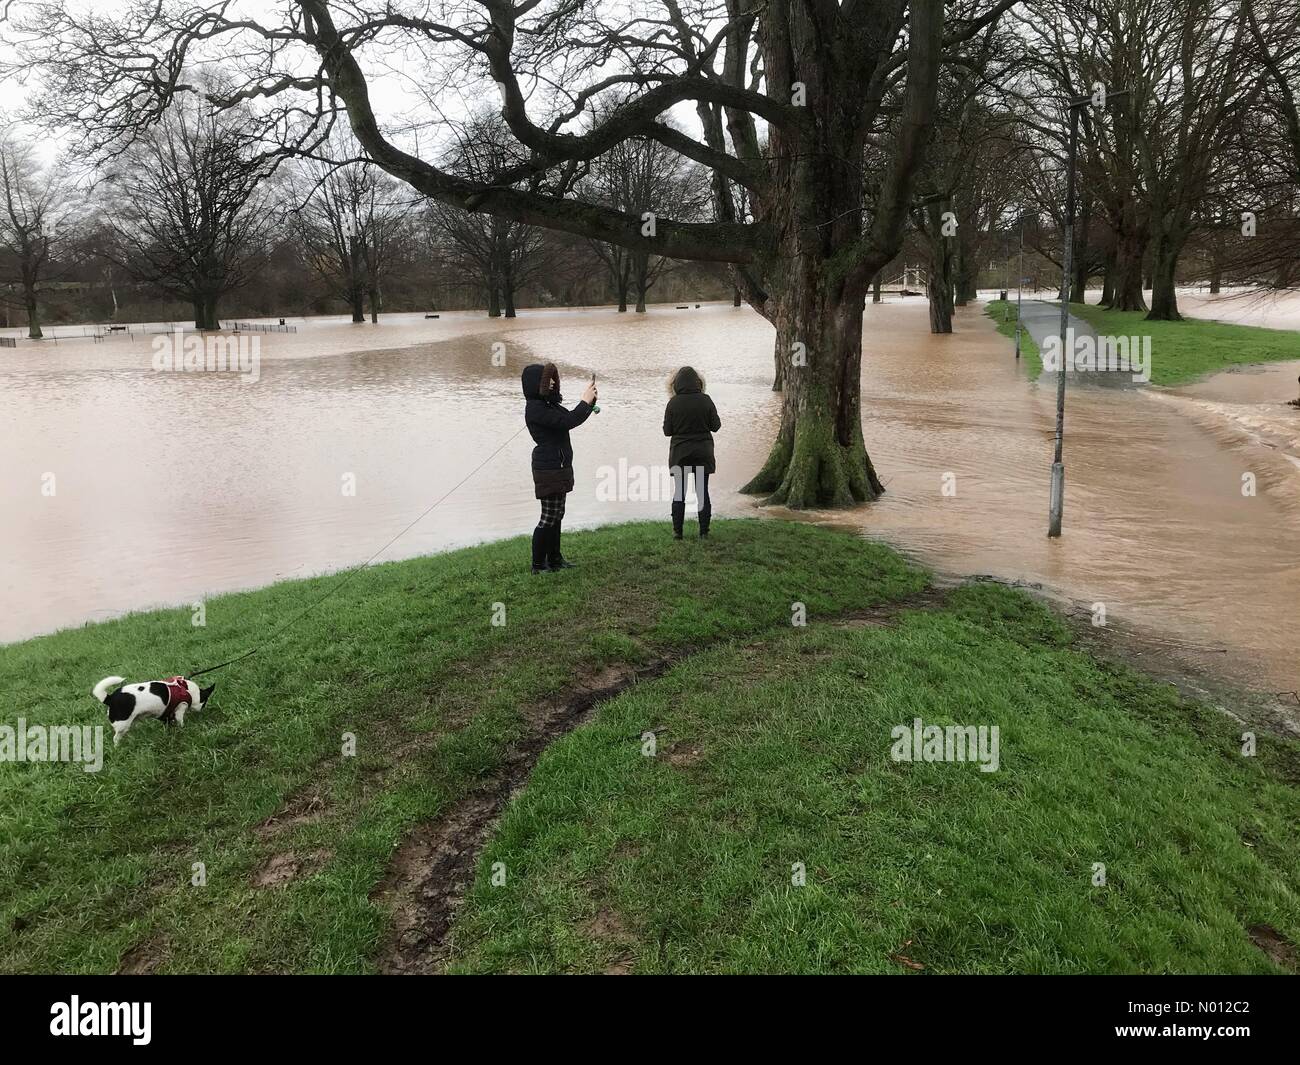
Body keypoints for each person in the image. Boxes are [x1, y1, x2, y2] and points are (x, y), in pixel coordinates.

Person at [521, 362, 597, 573]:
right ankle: (537, 564)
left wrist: (590, 403)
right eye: (548, 379)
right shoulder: (536, 409)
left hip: (559, 466)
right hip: (549, 468)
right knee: (548, 517)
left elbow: (571, 417)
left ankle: (555, 559)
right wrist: (585, 401)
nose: (553, 382)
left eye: (553, 378)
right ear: (537, 383)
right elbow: (569, 421)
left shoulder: (549, 405)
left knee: (558, 514)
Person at [662, 365, 721, 539]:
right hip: (702, 453)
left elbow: (667, 431)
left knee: (679, 492)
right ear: (699, 383)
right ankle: (704, 532)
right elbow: (716, 426)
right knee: (702, 491)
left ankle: (677, 532)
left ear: (675, 384)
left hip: (680, 454)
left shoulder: (673, 403)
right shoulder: (706, 400)